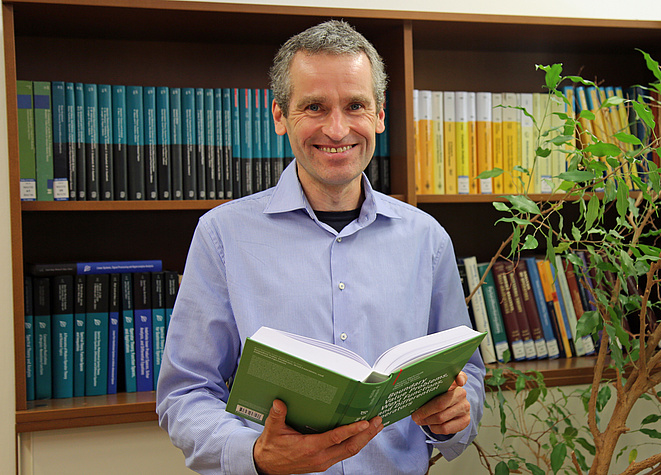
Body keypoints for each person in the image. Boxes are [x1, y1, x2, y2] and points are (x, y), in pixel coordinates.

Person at [156, 20, 485, 475]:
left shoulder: (427, 238)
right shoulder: (222, 235)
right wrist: (256, 455)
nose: (337, 129)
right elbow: (185, 393)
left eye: (355, 106)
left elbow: (468, 374)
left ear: (379, 115)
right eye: (314, 106)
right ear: (279, 116)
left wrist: (455, 416)